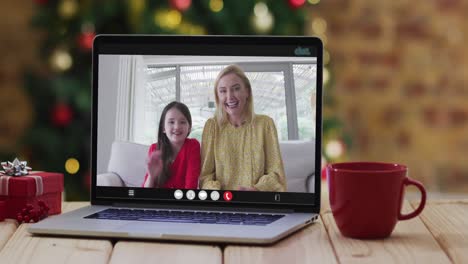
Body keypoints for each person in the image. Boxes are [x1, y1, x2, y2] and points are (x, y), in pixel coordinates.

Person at [200, 65, 286, 192]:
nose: (229, 97)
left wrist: (256, 190)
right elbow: (205, 177)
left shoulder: (265, 124)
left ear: (247, 92)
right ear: (218, 96)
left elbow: (277, 175)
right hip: (222, 205)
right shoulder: (212, 127)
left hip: (257, 203)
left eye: (236, 89)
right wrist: (218, 194)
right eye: (223, 91)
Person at [142, 101, 200, 189]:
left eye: (182, 122)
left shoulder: (192, 146)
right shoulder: (154, 149)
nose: (177, 127)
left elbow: (191, 189)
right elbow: (144, 195)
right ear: (163, 128)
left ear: (189, 128)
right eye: (171, 122)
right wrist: (151, 176)